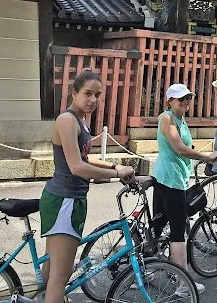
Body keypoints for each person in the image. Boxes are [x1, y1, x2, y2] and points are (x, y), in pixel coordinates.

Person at [39, 70, 136, 303]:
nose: (93, 100)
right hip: (65, 200)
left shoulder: (80, 120)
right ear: (74, 93)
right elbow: (77, 167)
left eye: (98, 95)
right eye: (88, 94)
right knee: (59, 279)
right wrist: (116, 173)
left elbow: (84, 158)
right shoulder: (67, 120)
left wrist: (115, 164)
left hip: (69, 199)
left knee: (52, 270)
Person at [152, 83, 217, 295]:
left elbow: (185, 148)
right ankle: (184, 284)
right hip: (170, 180)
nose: (185, 101)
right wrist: (207, 156)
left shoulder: (180, 119)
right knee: (177, 231)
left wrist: (195, 157)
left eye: (188, 98)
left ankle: (145, 272)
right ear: (169, 101)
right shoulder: (167, 118)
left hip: (172, 177)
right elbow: (179, 148)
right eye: (180, 98)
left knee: (157, 225)